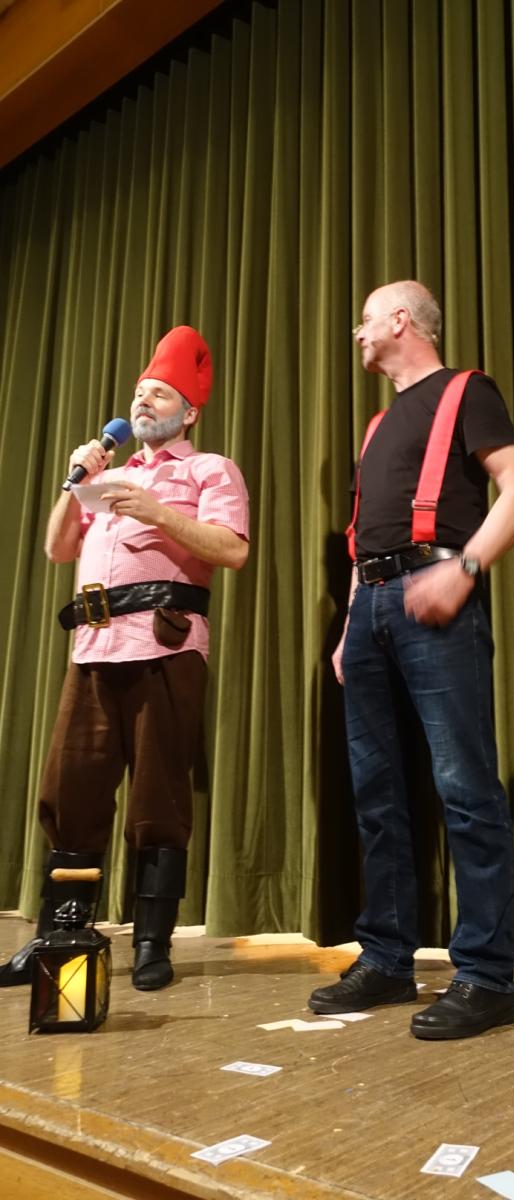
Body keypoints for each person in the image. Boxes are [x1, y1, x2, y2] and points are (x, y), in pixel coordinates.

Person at [308, 280, 514, 1039]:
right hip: (371, 608)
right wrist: (349, 625)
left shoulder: (467, 391)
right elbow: (360, 540)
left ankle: (487, 976)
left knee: (464, 786)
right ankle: (386, 959)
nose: (358, 333)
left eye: (366, 319)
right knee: (376, 792)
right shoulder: (378, 425)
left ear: (401, 321)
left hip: (436, 593)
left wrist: (464, 570)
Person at [0, 326, 249, 992]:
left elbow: (232, 549)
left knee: (156, 797)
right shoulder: (108, 477)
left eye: (159, 393)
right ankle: (60, 935)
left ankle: (150, 942)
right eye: (140, 393)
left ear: (188, 412)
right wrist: (75, 481)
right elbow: (58, 549)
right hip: (93, 648)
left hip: (165, 645)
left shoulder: (209, 470)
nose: (143, 401)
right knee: (69, 792)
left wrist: (159, 513)